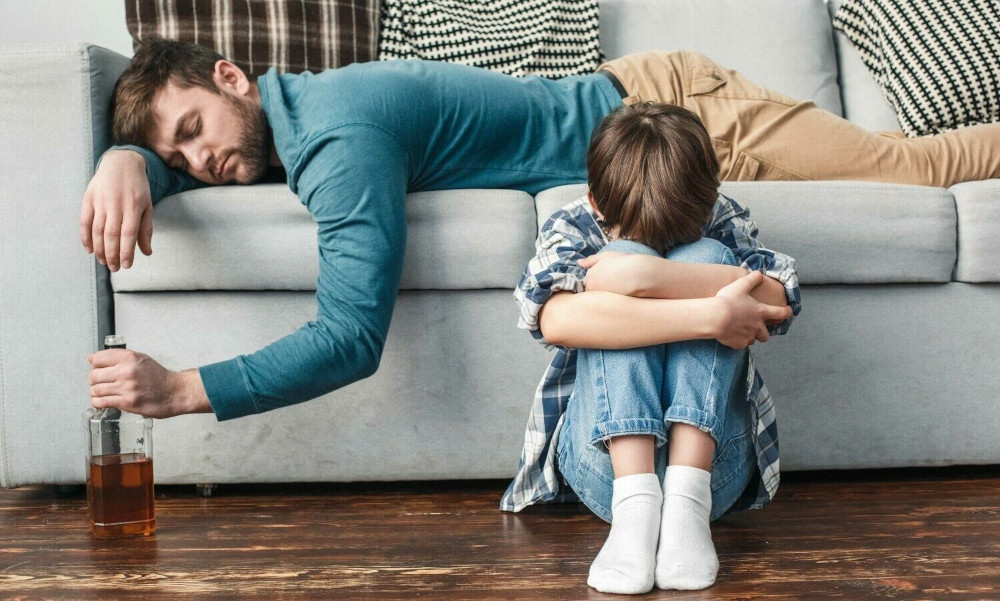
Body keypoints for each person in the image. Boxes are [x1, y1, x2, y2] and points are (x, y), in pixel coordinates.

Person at [82, 38, 991, 421]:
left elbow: (351, 338)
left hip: (674, 113)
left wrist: (180, 390)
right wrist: (131, 163)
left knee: (917, 168)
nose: (196, 160)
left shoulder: (338, 137)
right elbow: (214, 154)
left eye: (191, 128)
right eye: (177, 154)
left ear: (234, 79)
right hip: (639, 145)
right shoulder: (287, 119)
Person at [500, 102, 799, 594]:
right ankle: (636, 511)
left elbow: (778, 297)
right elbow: (555, 320)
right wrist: (710, 313)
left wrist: (648, 277)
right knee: (623, 259)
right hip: (605, 474)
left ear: (711, 199)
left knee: (702, 254)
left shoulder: (719, 218)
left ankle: (685, 504)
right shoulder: (573, 224)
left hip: (713, 473)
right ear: (595, 202)